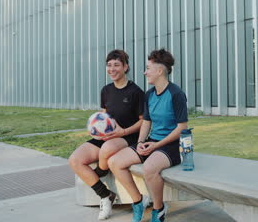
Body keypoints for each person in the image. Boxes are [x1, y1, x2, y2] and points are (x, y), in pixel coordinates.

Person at [108, 49, 188, 222]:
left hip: (174, 144)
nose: (145, 72)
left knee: (149, 169)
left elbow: (182, 128)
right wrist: (141, 142)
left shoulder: (176, 94)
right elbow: (146, 122)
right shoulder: (150, 94)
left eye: (148, 68)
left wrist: (156, 146)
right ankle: (138, 201)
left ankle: (158, 209)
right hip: (153, 141)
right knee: (114, 162)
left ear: (159, 71)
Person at [68, 49, 145, 220]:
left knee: (108, 148)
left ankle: (100, 171)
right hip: (108, 137)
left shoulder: (136, 92)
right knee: (75, 160)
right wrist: (96, 129)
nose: (112, 69)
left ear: (126, 67)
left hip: (127, 137)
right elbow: (104, 116)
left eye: (117, 65)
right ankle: (105, 195)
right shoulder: (106, 90)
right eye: (109, 65)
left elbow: (143, 121)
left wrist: (123, 131)